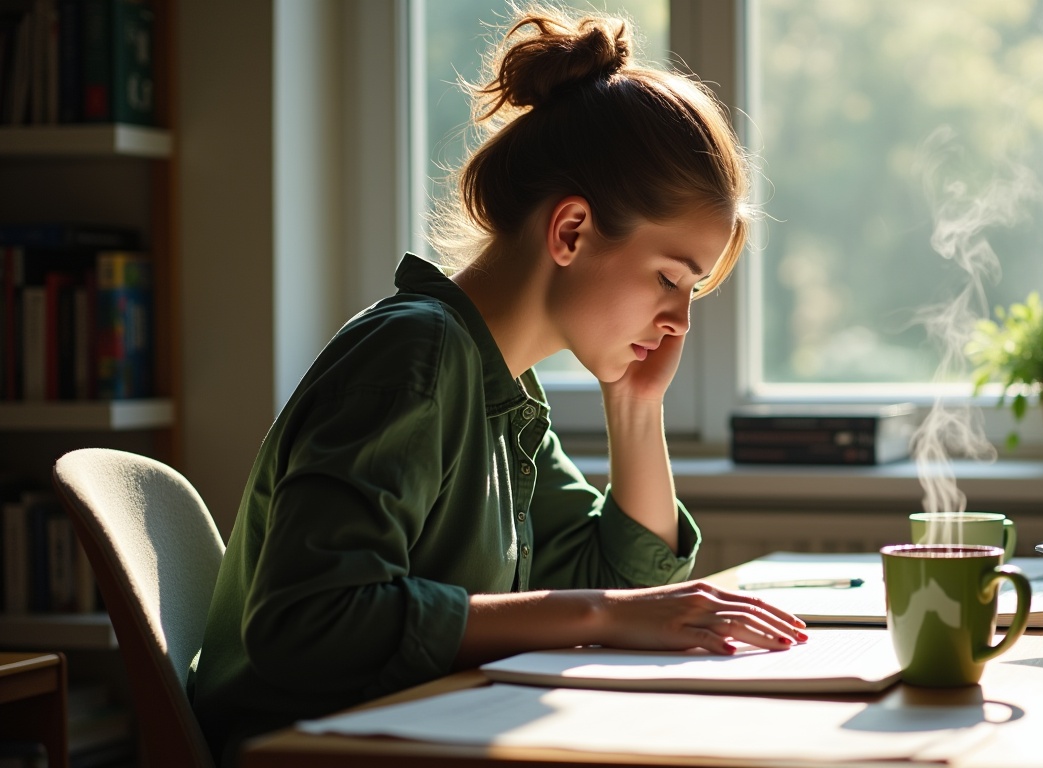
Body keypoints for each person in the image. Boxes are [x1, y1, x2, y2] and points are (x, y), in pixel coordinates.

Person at [188, 5, 806, 765]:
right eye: (670, 280)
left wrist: (637, 406)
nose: (679, 321)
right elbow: (311, 622)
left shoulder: (501, 389)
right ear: (572, 230)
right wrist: (604, 615)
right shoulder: (415, 357)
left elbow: (619, 575)